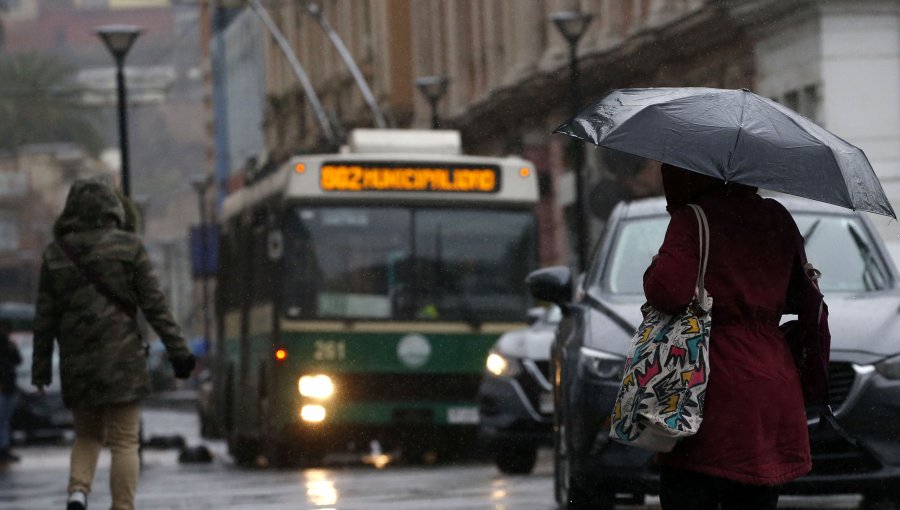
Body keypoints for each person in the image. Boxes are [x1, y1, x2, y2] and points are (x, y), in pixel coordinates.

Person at [643, 163, 813, 510]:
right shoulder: (777, 218)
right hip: (770, 380)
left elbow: (668, 292)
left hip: (709, 384)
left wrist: (656, 266)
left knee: (693, 486)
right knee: (754, 494)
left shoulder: (694, 218)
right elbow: (801, 296)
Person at [32, 177, 196, 510]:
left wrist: (40, 368)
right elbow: (154, 305)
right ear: (113, 209)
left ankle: (78, 491)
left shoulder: (56, 253)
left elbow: (45, 318)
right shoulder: (128, 247)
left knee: (87, 435)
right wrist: (179, 350)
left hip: (78, 363)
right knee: (124, 441)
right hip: (122, 361)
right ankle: (122, 506)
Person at [0, 318, 22, 462]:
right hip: (3, 387)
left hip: (9, 387)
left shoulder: (8, 345)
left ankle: (4, 447)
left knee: (5, 421)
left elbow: (17, 361)